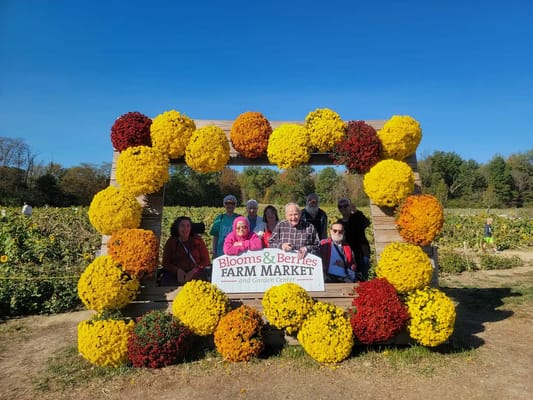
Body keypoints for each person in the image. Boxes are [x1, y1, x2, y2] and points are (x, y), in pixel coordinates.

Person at [161, 216, 211, 286]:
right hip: (175, 276)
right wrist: (177, 270)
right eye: (182, 226)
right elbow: (165, 263)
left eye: (188, 226)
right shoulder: (171, 241)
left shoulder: (197, 240)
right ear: (177, 228)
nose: (185, 229)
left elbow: (206, 261)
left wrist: (194, 271)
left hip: (196, 275)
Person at [337, 198, 371, 281]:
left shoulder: (357, 217)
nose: (343, 208)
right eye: (340, 207)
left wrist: (356, 211)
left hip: (361, 253)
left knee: (363, 278)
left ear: (350, 206)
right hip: (347, 256)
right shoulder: (338, 223)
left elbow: (366, 223)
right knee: (350, 279)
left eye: (345, 206)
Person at [209, 194, 241, 259]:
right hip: (220, 252)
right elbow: (215, 236)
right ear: (224, 204)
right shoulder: (219, 218)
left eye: (232, 203)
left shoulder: (239, 218)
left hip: (235, 252)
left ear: (235, 205)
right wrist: (214, 251)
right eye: (227, 203)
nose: (230, 205)